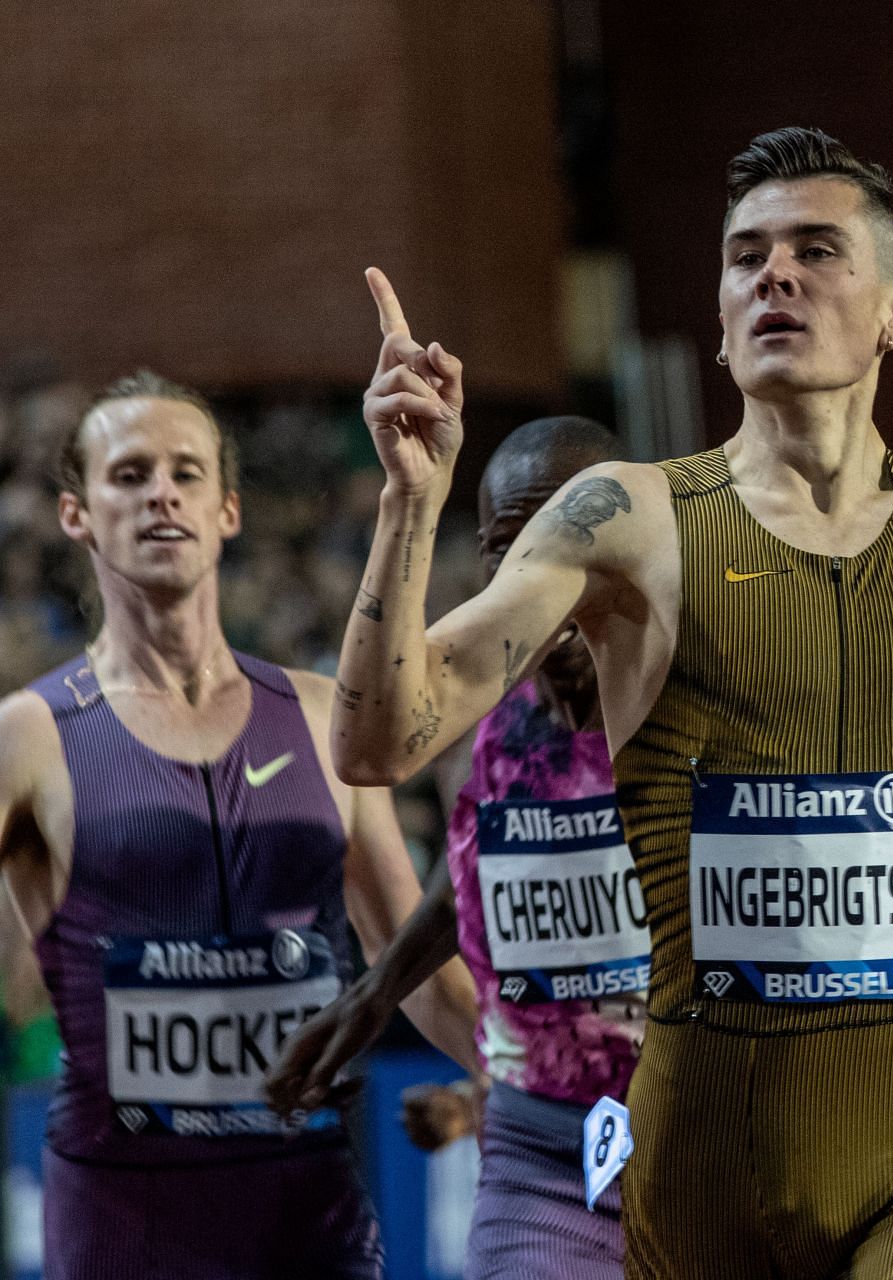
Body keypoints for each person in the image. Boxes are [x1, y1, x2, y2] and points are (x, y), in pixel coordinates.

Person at [329, 127, 893, 1280]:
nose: (775, 274)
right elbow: (379, 740)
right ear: (719, 322)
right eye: (746, 256)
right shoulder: (625, 517)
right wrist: (410, 504)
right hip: (710, 1143)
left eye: (818, 251)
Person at [0, 371, 475, 1278]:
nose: (160, 494)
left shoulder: (323, 717)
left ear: (227, 511)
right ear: (77, 515)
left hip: (310, 1219)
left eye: (185, 472)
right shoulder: (29, 735)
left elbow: (417, 967)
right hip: (119, 1224)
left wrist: (544, 1079)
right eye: (129, 475)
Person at [270, 416, 639, 1278]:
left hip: (703, 1139)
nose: (538, 575)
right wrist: (371, 998)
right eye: (508, 546)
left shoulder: (701, 704)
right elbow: (472, 868)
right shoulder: (484, 724)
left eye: (568, 533)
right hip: (540, 1143)